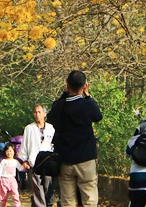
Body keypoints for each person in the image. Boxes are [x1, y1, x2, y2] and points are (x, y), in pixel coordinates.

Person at [47, 70, 103, 207]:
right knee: (89, 199)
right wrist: (88, 95)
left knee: (67, 201)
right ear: (85, 86)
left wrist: (65, 94)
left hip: (65, 160)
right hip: (86, 159)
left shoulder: (60, 106)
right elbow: (98, 116)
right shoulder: (87, 105)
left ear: (67, 85)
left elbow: (51, 117)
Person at [18, 104, 56, 207]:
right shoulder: (29, 128)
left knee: (48, 187)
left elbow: (54, 144)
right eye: (35, 112)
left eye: (39, 112)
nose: (37, 114)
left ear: (44, 114)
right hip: (34, 162)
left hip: (48, 163)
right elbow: (24, 146)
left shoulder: (51, 128)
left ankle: (46, 204)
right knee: (37, 189)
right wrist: (24, 161)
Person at [0, 142, 23, 207]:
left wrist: (26, 165)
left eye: (11, 151)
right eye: (7, 151)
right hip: (4, 180)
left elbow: (20, 168)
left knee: (15, 194)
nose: (9, 153)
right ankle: (3, 205)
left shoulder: (15, 161)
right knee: (3, 196)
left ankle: (17, 205)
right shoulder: (3, 161)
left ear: (14, 152)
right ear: (5, 152)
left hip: (12, 180)